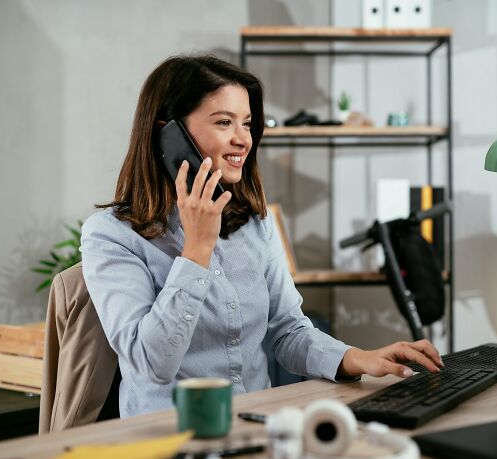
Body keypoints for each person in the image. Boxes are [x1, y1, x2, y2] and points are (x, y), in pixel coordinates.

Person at [81, 55, 444, 418]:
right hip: (166, 436)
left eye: (248, 124)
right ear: (168, 133)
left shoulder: (254, 222)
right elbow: (151, 363)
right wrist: (197, 249)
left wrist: (359, 358)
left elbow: (288, 331)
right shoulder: (111, 235)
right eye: (224, 122)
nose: (244, 140)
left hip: (257, 426)